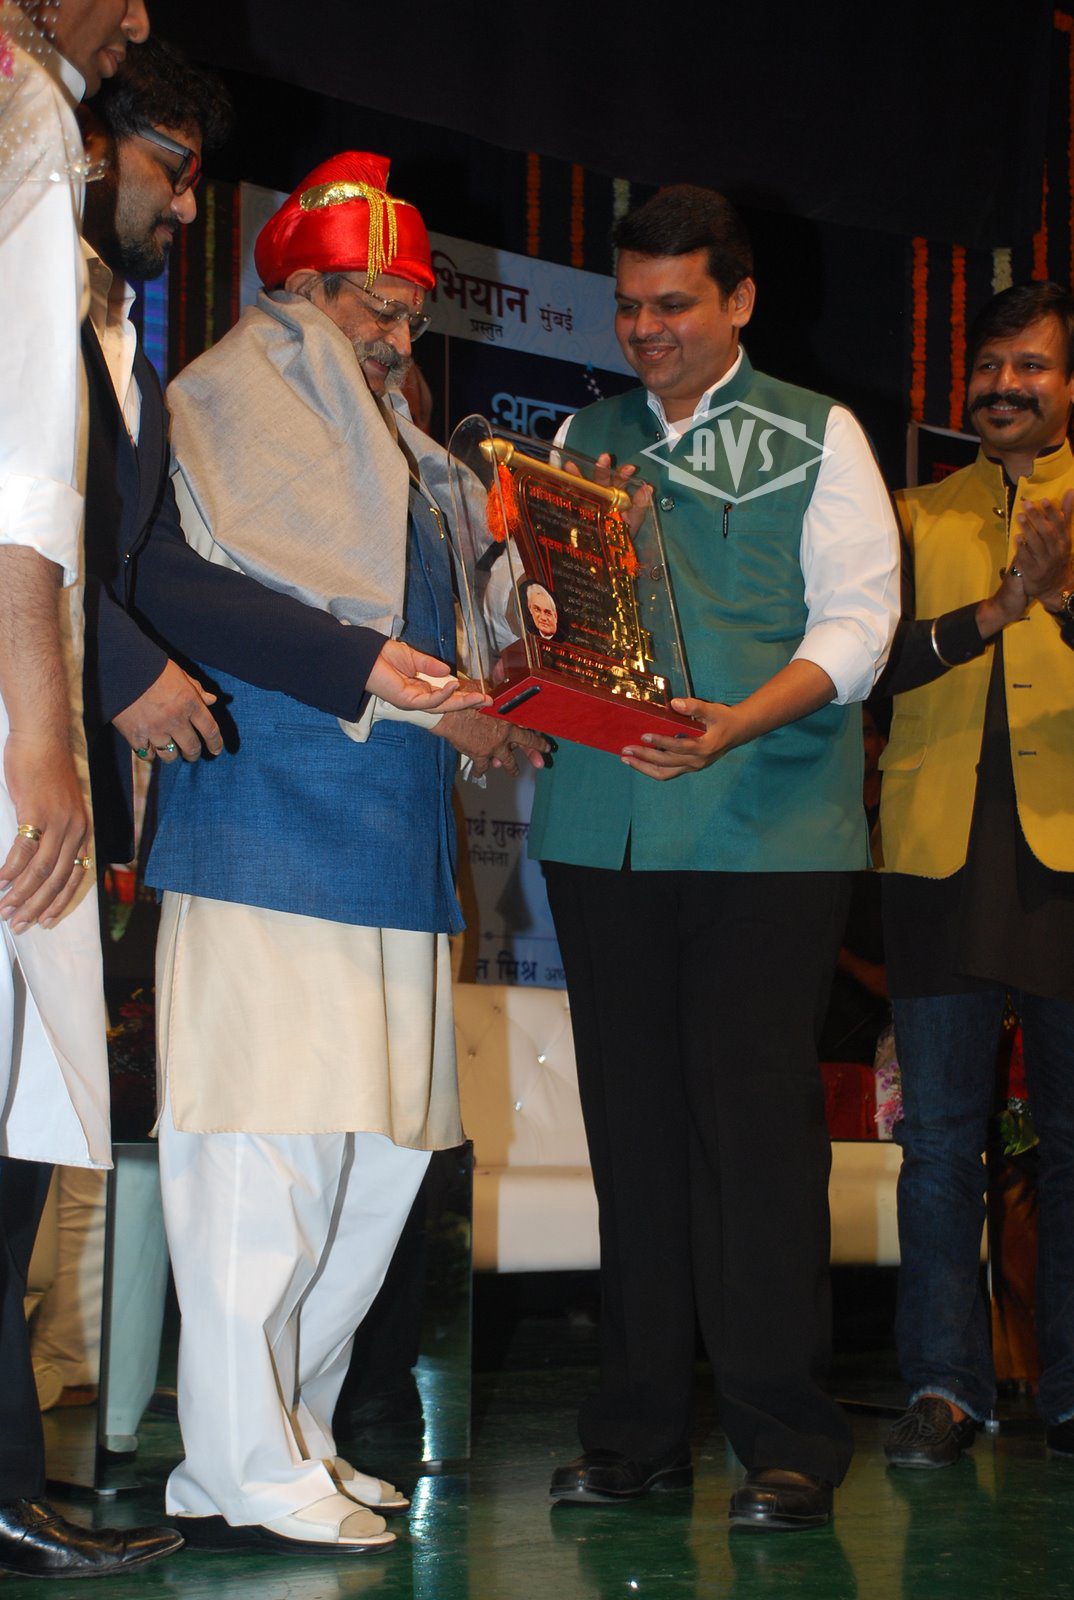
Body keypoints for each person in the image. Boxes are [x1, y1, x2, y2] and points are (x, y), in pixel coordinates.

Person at [140, 150, 544, 1555]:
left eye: (409, 313)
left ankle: (290, 1438)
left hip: (393, 846)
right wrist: (396, 676)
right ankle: (237, 1464)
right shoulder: (224, 398)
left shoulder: (413, 462)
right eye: (373, 305)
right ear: (300, 291)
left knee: (373, 1167)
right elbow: (183, 590)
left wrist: (486, 695)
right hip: (263, 828)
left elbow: (430, 648)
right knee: (267, 1160)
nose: (393, 335)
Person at [529, 184, 899, 1530]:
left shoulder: (818, 431)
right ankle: (632, 1436)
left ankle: (785, 1442)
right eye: (629, 304)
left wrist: (739, 719)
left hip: (766, 831)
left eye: (673, 303)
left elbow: (859, 624)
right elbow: (551, 612)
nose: (645, 329)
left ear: (738, 300)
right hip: (601, 828)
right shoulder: (582, 438)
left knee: (754, 1139)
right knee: (631, 1138)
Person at [0, 0, 182, 1578]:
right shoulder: (23, 111)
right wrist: (48, 731)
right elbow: (19, 493)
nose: (132, 16)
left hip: (40, 714)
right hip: (20, 719)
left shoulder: (118, 322)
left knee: (16, 1136)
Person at [878, 281, 1074, 1469]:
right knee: (941, 1142)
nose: (1004, 386)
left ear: (1070, 383)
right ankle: (944, 1387)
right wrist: (997, 609)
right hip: (935, 858)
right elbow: (867, 661)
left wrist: (1065, 595)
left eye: (1031, 367)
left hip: (1069, 863)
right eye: (990, 366)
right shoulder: (908, 513)